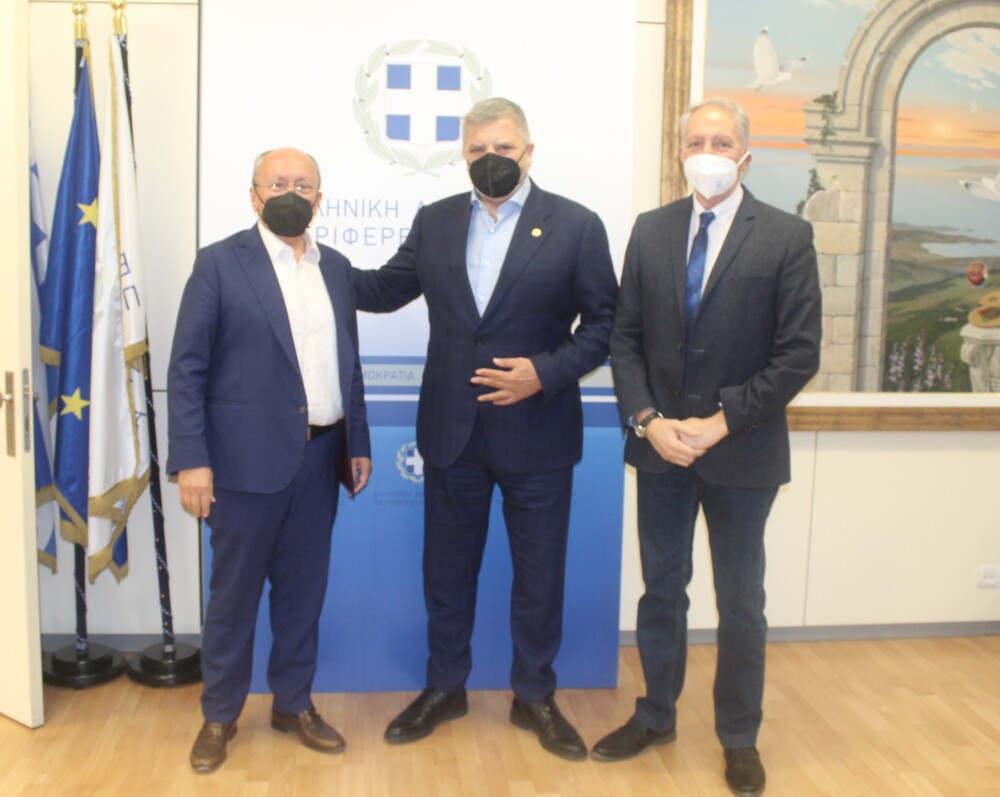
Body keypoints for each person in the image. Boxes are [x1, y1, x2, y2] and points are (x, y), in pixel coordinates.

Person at [352, 97, 618, 761]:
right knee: (446, 575)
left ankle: (535, 696)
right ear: (462, 154)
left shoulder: (577, 225)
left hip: (539, 430)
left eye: (503, 148)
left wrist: (544, 372)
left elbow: (606, 325)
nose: (490, 159)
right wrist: (309, 260)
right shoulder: (437, 220)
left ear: (528, 151)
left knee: (539, 579)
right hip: (452, 433)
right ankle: (446, 687)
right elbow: (384, 290)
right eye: (477, 150)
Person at [594, 98, 821, 797]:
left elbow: (798, 354)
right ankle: (655, 715)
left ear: (745, 156)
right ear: (680, 153)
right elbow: (625, 339)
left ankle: (739, 737)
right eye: (696, 141)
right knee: (662, 590)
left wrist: (721, 422)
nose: (708, 152)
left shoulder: (785, 235)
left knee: (741, 601)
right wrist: (648, 420)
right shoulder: (652, 229)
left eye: (722, 142)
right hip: (661, 448)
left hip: (742, 450)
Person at [167, 147, 372, 773]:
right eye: (278, 183)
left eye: (303, 184)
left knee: (302, 596)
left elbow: (348, 365)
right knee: (233, 599)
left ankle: (293, 704)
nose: (291, 193)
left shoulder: (336, 268)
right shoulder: (219, 263)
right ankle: (219, 714)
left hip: (321, 459)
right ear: (254, 195)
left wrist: (358, 443)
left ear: (319, 198)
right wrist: (192, 460)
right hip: (241, 465)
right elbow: (187, 369)